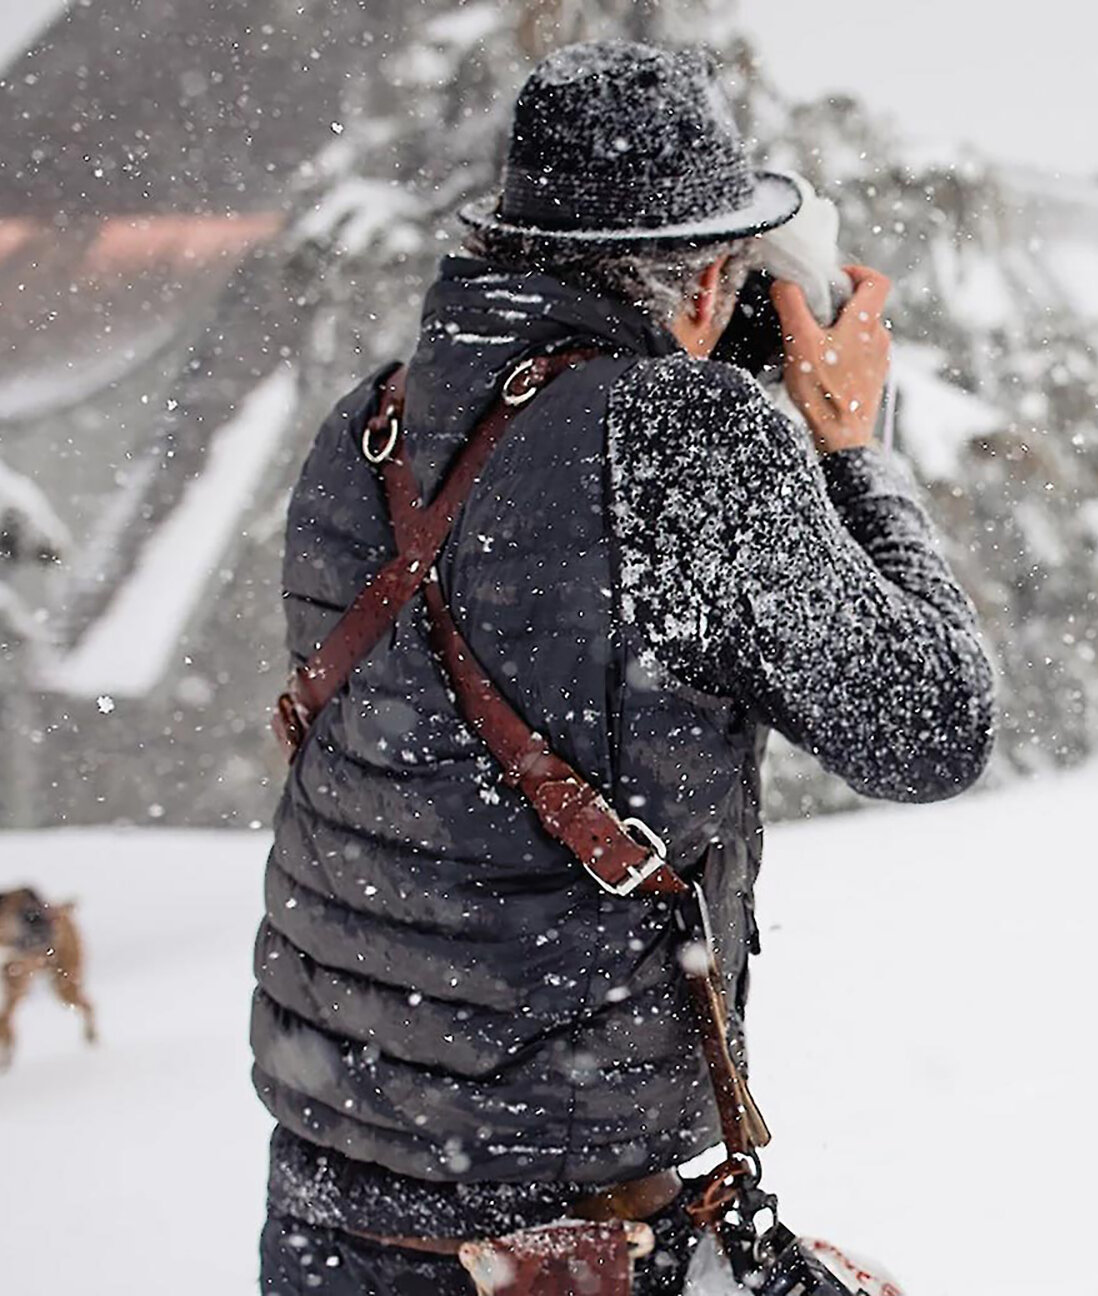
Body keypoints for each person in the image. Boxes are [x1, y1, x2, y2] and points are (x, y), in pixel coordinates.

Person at [251, 41, 995, 1295]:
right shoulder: (680, 434)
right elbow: (930, 727)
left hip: (331, 1211)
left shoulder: (365, 426)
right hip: (562, 1236)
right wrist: (851, 447)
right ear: (707, 283)